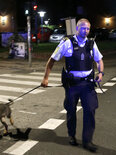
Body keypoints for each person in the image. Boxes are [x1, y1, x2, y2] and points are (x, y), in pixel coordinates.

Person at [41, 18, 104, 152]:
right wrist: (45, 78)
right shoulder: (67, 43)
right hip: (72, 84)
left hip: (87, 84)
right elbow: (52, 60)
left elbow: (99, 60)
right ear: (77, 28)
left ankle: (87, 141)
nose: (86, 31)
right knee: (71, 110)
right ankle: (71, 135)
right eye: (83, 28)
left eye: (88, 28)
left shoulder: (91, 44)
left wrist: (101, 72)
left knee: (90, 110)